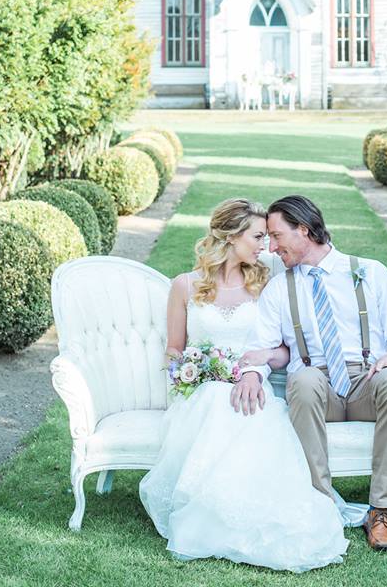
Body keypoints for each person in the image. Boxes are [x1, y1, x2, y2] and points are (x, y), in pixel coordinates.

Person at [139, 197, 348, 572]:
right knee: (218, 402)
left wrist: (257, 364)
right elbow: (173, 350)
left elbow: (283, 353)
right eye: (257, 236)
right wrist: (196, 369)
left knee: (247, 406)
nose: (265, 246)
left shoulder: (266, 284)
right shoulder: (184, 286)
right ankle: (213, 510)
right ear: (231, 236)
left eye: (268, 238)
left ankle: (251, 510)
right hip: (200, 393)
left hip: (253, 388)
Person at [231, 195, 387, 552]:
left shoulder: (370, 272)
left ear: (304, 230)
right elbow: (262, 344)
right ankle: (322, 504)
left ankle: (381, 510)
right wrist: (251, 373)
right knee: (304, 377)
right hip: (317, 387)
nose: (271, 246)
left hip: (366, 381)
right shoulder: (279, 288)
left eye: (276, 235)